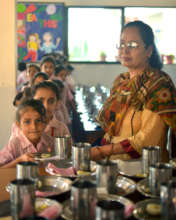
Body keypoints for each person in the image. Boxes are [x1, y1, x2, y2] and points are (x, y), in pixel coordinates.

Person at [90, 20, 176, 162]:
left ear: (149, 50)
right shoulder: (121, 81)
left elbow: (148, 140)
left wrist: (101, 151)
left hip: (144, 169)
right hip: (114, 163)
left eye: (133, 45)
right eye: (122, 44)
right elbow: (112, 130)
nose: (125, 50)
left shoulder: (159, 85)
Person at [0, 99, 54, 168]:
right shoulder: (14, 144)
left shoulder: (49, 141)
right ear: (19, 125)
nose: (34, 127)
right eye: (27, 122)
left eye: (38, 120)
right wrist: (19, 161)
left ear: (45, 123)